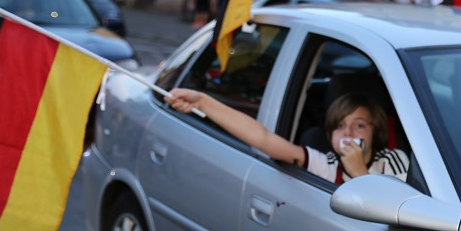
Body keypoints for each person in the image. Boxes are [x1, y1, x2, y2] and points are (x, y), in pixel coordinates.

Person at [166, 89, 409, 183]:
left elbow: (398, 218)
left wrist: (360, 174)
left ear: (375, 131)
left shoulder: (394, 160)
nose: (348, 133)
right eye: (340, 126)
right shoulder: (326, 165)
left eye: (359, 126)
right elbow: (262, 139)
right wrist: (204, 103)